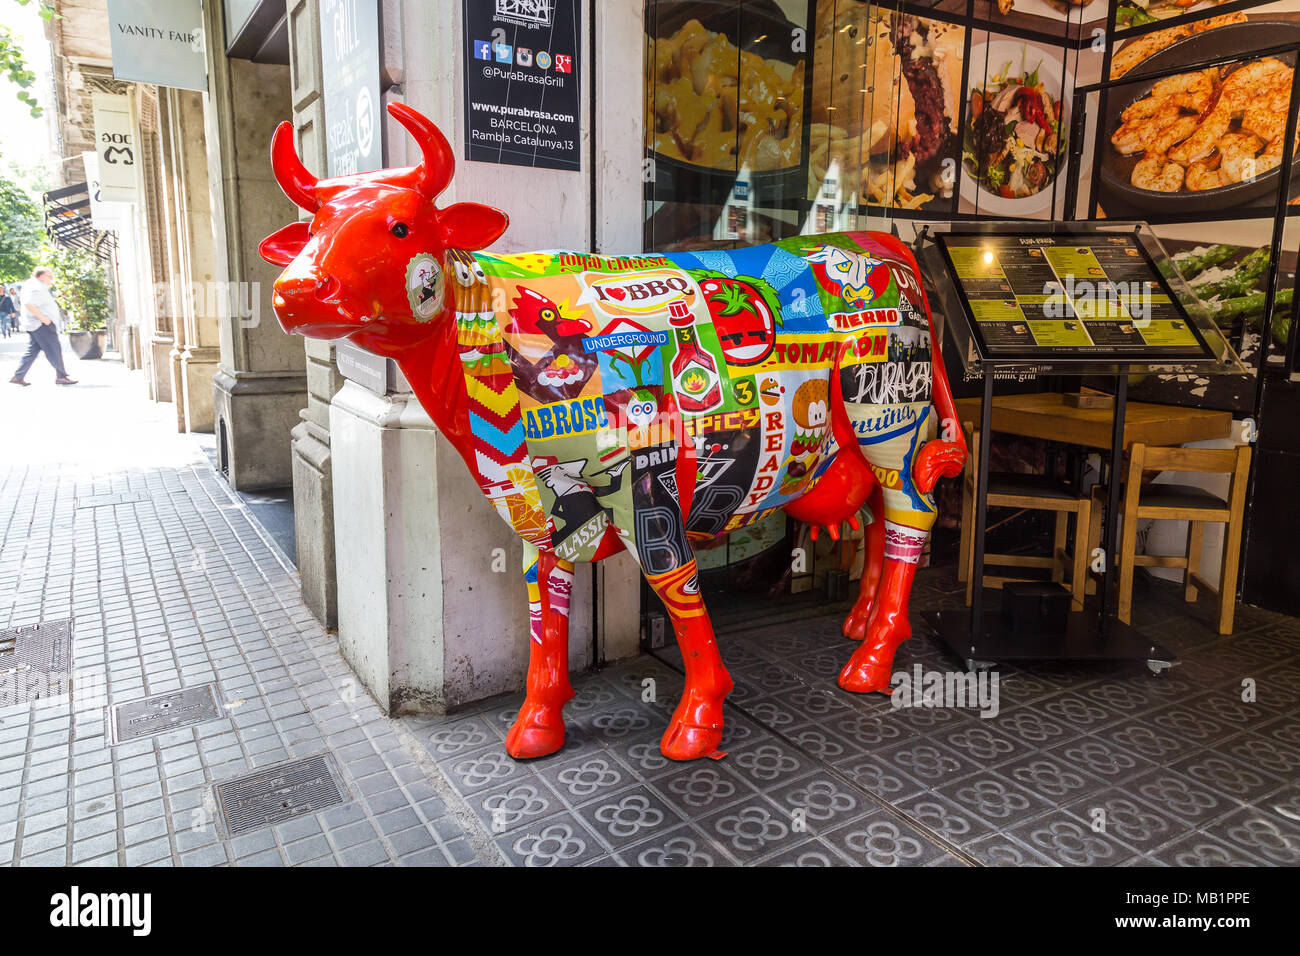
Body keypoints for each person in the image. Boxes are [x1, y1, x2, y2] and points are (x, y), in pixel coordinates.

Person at [10, 267, 76, 386]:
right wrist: (44, 319)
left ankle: (18, 376)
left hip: (35, 324)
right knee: (54, 349)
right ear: (41, 276)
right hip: (41, 325)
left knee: (32, 351)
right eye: (49, 276)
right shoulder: (37, 287)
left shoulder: (33, 284)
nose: (51, 279)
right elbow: (29, 304)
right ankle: (61, 376)